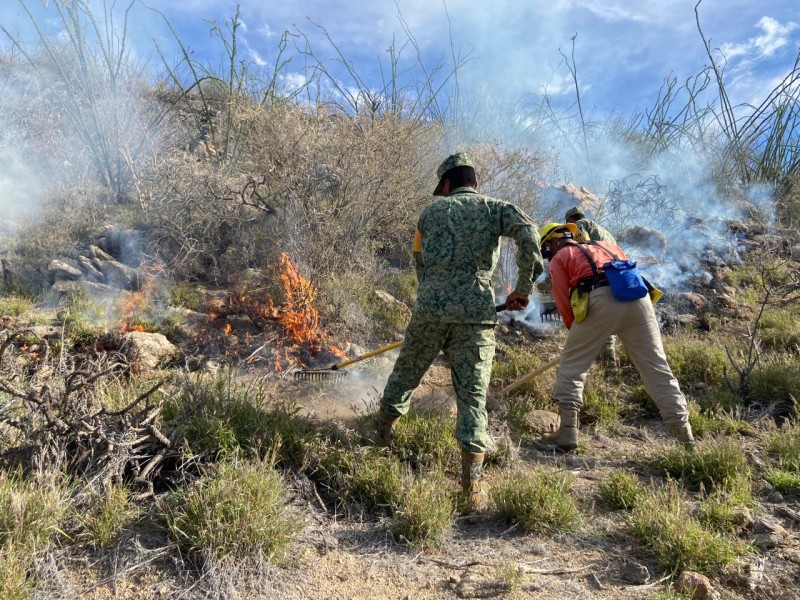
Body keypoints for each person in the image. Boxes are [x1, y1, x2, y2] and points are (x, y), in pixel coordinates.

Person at [372, 151, 543, 510]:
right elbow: (529, 234)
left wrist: (434, 294)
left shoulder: (428, 214)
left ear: (447, 185)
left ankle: (380, 439)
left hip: (430, 309)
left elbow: (419, 261)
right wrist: (523, 287)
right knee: (472, 395)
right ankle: (471, 487)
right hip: (476, 313)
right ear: (476, 183)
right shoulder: (496, 208)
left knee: (405, 374)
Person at [537, 222, 694, 451]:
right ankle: (685, 437)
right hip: (639, 301)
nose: (548, 255)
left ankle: (568, 433)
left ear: (555, 241)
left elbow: (563, 301)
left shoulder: (562, 257)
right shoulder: (608, 245)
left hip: (600, 300)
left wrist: (581, 338)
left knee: (571, 367)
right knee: (657, 369)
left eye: (546, 250)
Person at [564, 206, 618, 365]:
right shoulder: (604, 231)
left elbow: (584, 246)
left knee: (598, 313)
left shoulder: (580, 225)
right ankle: (609, 357)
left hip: (599, 274)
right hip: (616, 273)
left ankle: (601, 358)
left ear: (570, 220)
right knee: (611, 315)